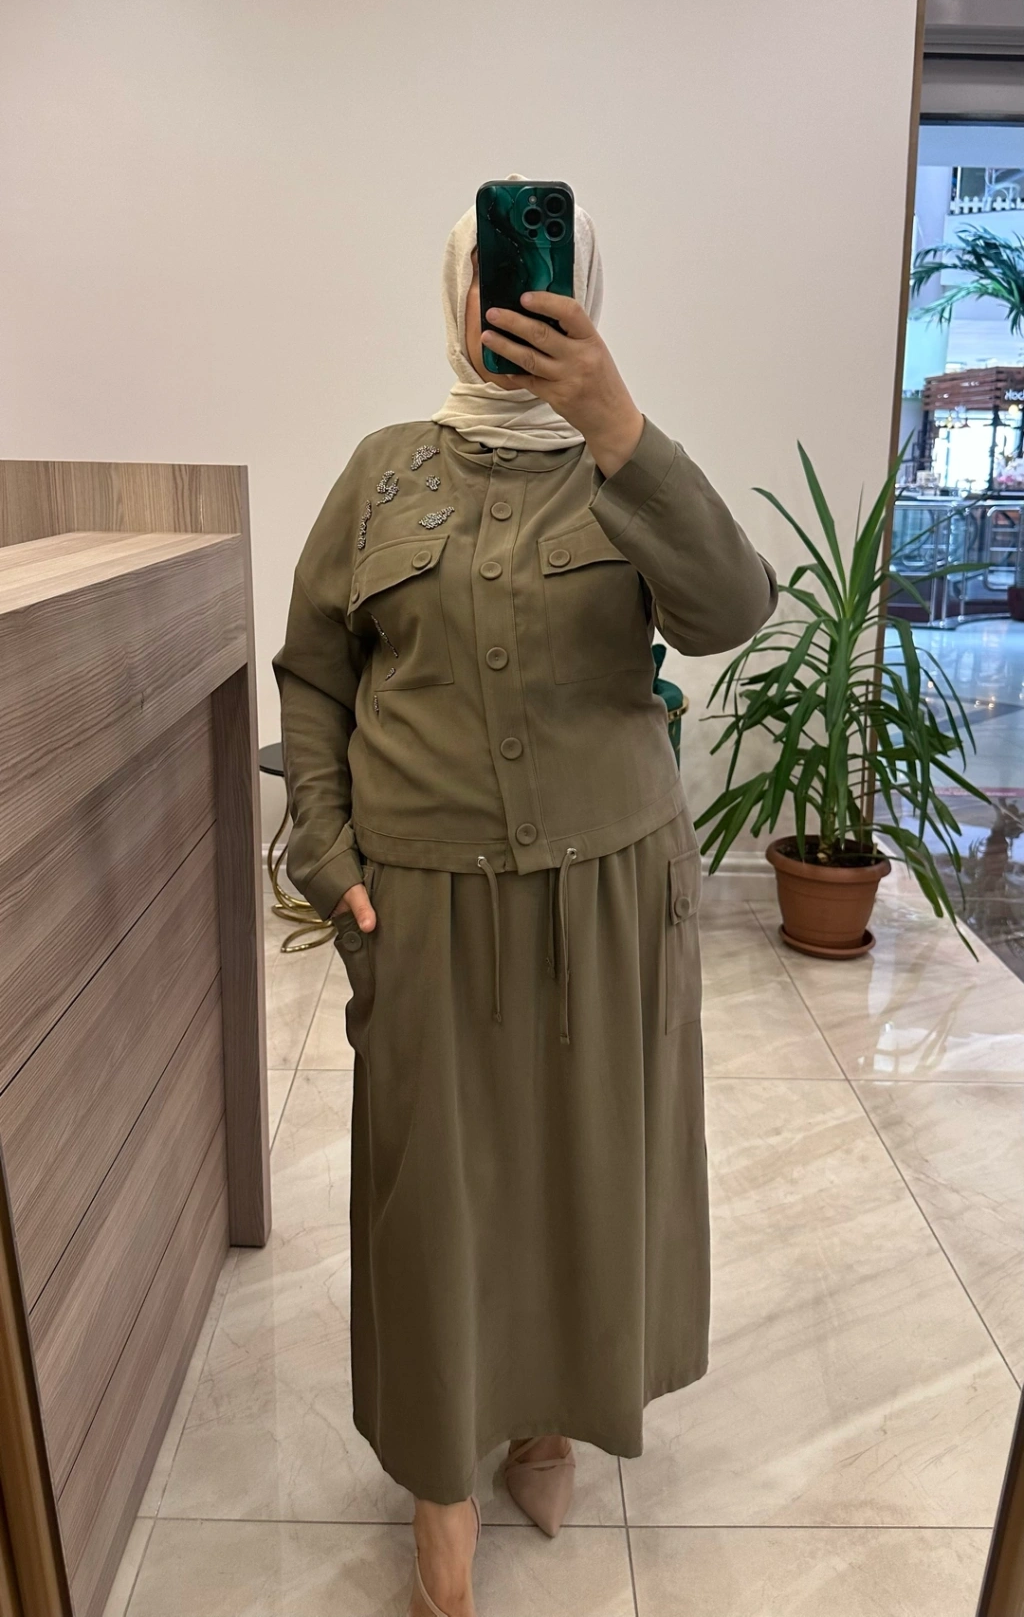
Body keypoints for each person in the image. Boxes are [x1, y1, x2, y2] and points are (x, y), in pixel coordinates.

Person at [272, 182, 777, 1617]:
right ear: (462, 295)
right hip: (423, 906)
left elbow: (734, 612)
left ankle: (549, 1420)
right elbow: (314, 673)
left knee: (579, 1174)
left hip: (607, 900)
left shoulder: (628, 470)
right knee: (434, 1195)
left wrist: (617, 421)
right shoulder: (382, 474)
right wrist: (328, 857)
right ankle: (442, 1494)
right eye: (492, 279)